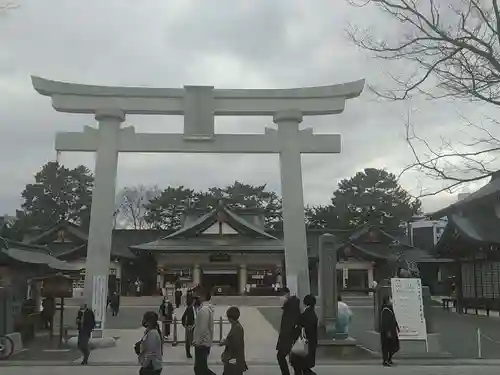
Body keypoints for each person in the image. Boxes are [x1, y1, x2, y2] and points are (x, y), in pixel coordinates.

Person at [290, 294, 318, 375]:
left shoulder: (305, 315)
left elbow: (299, 328)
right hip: (309, 345)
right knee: (304, 368)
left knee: (298, 365)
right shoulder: (313, 314)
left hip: (303, 345)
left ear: (305, 303)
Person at [276, 287, 301, 375]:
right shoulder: (290, 306)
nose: (280, 298)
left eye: (281, 295)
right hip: (290, 337)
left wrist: (282, 341)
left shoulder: (290, 307)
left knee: (281, 356)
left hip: (288, 337)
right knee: (292, 358)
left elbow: (287, 325)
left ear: (287, 294)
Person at [192, 288, 215, 375]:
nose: (197, 297)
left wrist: (198, 341)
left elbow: (203, 328)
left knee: (200, 369)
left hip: (202, 344)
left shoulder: (204, 310)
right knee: (201, 368)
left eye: (199, 295)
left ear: (203, 296)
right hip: (204, 342)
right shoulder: (206, 308)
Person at [220, 306, 248, 375]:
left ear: (230, 318)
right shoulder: (236, 326)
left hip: (234, 362)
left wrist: (226, 343)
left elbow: (235, 345)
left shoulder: (237, 328)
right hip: (233, 361)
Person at [380, 296, 400, 367]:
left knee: (394, 346)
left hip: (392, 331)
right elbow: (385, 322)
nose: (392, 300)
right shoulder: (385, 310)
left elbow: (393, 319)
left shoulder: (389, 309)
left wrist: (397, 328)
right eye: (390, 299)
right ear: (387, 301)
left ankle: (389, 359)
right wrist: (388, 332)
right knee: (387, 346)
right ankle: (385, 360)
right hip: (387, 332)